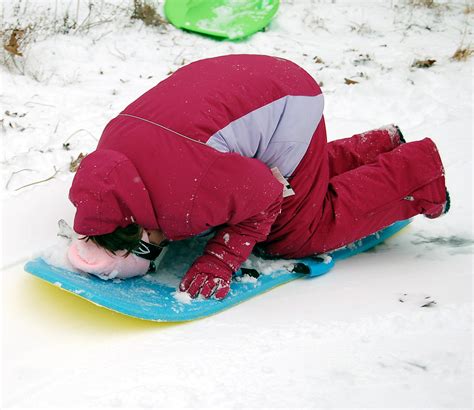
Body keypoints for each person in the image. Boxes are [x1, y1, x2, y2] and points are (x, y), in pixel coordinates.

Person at [68, 54, 449, 300]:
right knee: (282, 185)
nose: (158, 247)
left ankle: (417, 173)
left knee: (293, 232)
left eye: (149, 248)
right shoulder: (111, 160)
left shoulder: (187, 197)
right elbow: (224, 174)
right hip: (250, 81)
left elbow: (267, 191)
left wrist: (221, 257)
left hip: (285, 102)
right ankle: (379, 145)